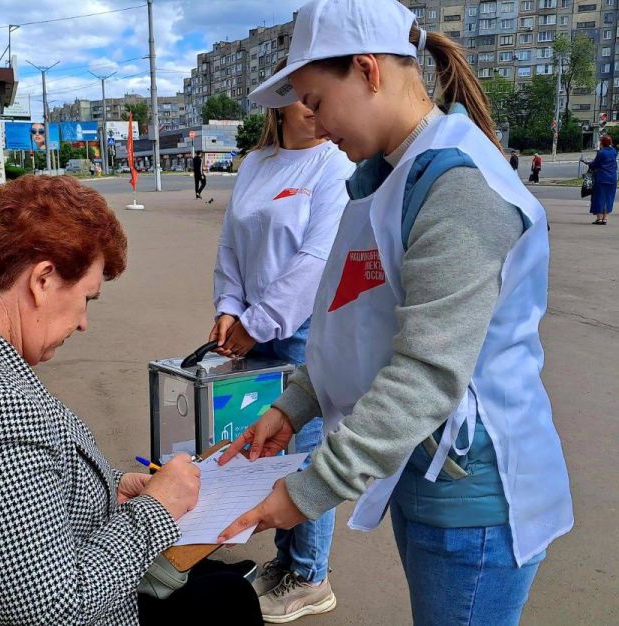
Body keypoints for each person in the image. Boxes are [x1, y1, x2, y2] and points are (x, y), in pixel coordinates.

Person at [216, 2, 574, 625]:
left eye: (316, 101)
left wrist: (306, 493)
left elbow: (428, 369)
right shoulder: (386, 177)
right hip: (420, 462)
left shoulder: (457, 186)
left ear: (367, 70)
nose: (315, 124)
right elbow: (356, 324)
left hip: (474, 493)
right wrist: (291, 405)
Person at [0, 175, 262, 626]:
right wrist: (154, 511)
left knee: (222, 594)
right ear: (43, 279)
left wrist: (112, 486)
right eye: (86, 298)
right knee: (228, 602)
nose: (83, 322)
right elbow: (54, 609)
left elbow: (15, 484)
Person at [210, 58, 356, 622]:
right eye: (303, 96)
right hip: (251, 328)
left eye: (318, 96)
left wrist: (257, 322)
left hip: (301, 332)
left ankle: (310, 575)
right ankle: (284, 558)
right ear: (279, 103)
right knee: (267, 454)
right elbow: (229, 246)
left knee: (306, 455)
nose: (314, 108)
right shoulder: (256, 164)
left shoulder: (333, 165)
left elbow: (316, 261)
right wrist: (228, 310)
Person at [581, 135, 618, 225]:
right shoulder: (614, 151)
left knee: (599, 197)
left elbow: (595, 164)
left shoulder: (601, 152)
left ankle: (599, 218)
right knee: (609, 198)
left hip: (601, 178)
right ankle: (605, 218)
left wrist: (587, 162)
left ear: (602, 142)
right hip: (612, 178)